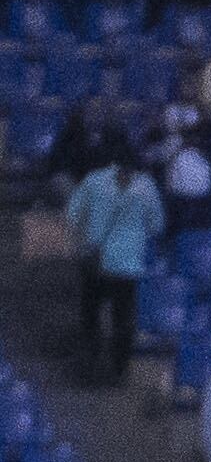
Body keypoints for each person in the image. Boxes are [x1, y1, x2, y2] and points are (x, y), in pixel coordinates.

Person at [63, 149, 161, 386]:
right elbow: (157, 225)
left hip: (96, 261)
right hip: (127, 265)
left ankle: (91, 359)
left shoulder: (94, 180)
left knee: (91, 312)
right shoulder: (146, 186)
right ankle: (119, 367)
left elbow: (73, 214)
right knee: (124, 317)